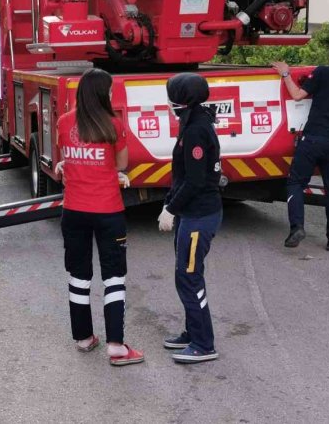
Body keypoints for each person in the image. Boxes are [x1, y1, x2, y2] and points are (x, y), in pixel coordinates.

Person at [53, 68, 143, 366]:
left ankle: (83, 338)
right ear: (104, 93)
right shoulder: (113, 125)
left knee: (78, 277)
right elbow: (122, 163)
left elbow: (63, 157)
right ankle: (116, 346)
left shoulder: (64, 123)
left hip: (74, 211)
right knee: (114, 277)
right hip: (108, 211)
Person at [157, 73, 223, 364]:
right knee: (183, 274)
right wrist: (170, 203)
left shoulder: (196, 128)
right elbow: (183, 175)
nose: (170, 104)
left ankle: (203, 343)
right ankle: (191, 331)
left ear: (182, 100)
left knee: (189, 277)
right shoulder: (193, 119)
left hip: (200, 214)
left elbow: (196, 180)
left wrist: (171, 209)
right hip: (190, 211)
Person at [271, 42, 329, 251]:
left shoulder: (323, 73)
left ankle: (296, 228)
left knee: (295, 182)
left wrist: (286, 74)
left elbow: (297, 95)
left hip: (313, 138)